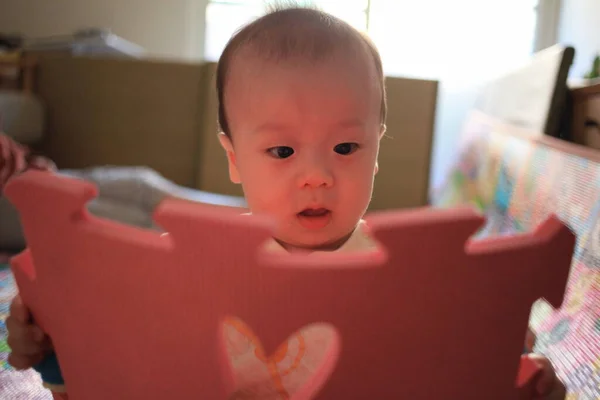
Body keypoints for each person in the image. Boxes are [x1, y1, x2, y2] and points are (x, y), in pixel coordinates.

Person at [5, 5, 566, 400]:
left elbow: (464, 360)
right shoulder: (188, 262)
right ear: (233, 157)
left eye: (346, 147)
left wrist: (505, 362)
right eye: (281, 150)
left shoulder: (417, 276)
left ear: (376, 149)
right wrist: (47, 335)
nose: (317, 175)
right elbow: (109, 341)